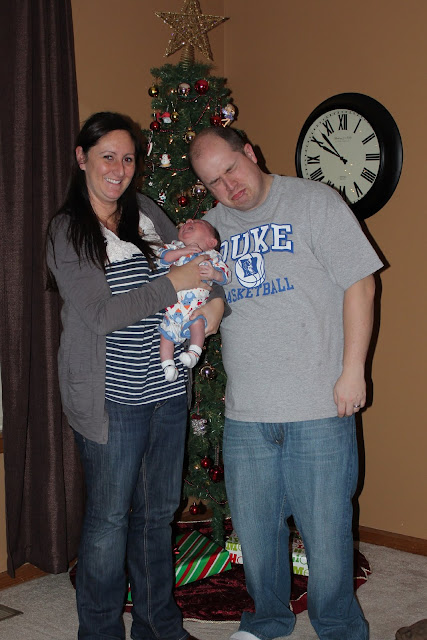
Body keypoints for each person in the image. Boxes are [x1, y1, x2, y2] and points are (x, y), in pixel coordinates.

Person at [189, 126, 383, 640]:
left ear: (250, 153)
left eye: (231, 169)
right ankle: (268, 621)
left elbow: (361, 284)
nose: (228, 186)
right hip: (246, 411)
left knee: (326, 533)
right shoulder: (210, 228)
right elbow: (208, 299)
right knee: (255, 533)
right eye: (213, 181)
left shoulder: (315, 202)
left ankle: (339, 627)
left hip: (319, 403)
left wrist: (353, 370)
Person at [46, 111, 226, 640]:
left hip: (167, 391)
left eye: (127, 159)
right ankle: (100, 632)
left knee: (158, 514)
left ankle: (157, 627)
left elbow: (202, 263)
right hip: (112, 401)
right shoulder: (67, 230)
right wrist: (175, 282)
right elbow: (102, 314)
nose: (118, 169)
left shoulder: (145, 211)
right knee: (109, 520)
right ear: (82, 158)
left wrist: (213, 303)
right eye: (108, 156)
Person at [155, 218, 231, 381]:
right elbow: (162, 258)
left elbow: (225, 277)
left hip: (195, 308)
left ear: (211, 242)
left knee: (198, 323)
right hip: (172, 310)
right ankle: (168, 366)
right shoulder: (175, 247)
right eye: (186, 222)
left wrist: (214, 274)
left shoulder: (211, 256)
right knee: (165, 336)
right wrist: (182, 251)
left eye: (197, 223)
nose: (188, 221)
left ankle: (194, 353)